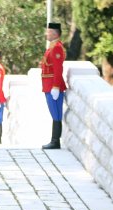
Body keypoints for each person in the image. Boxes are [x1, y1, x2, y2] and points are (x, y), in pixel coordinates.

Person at [41, 22, 67, 150]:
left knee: (56, 114)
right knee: (54, 113)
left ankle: (55, 141)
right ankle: (54, 140)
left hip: (53, 86)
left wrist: (56, 86)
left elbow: (58, 69)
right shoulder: (52, 46)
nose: (46, 33)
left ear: (54, 33)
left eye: (48, 31)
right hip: (49, 85)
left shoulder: (56, 47)